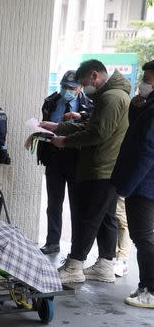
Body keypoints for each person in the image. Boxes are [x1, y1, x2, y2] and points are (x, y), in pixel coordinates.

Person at [42, 60, 131, 284]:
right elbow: (93, 126)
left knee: (87, 217)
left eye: (83, 83)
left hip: (101, 167)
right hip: (108, 167)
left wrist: (65, 141)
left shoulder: (111, 98)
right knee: (105, 218)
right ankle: (105, 264)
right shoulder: (112, 95)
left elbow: (98, 133)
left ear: (94, 76)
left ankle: (75, 265)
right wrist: (58, 127)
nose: (83, 88)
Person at [111, 60, 154, 308]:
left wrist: (128, 186)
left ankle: (151, 289)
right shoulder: (148, 104)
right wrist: (137, 107)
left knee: (143, 237)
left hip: (144, 184)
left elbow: (147, 149)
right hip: (143, 183)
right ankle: (145, 285)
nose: (143, 82)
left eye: (147, 77)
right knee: (143, 236)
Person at [37, 70, 93, 255]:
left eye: (71, 87)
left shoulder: (89, 105)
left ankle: (77, 248)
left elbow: (91, 130)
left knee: (77, 204)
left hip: (76, 159)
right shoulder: (51, 101)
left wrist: (81, 116)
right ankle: (52, 242)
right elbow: (46, 124)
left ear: (80, 88)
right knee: (54, 203)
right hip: (54, 156)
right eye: (64, 86)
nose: (66, 90)